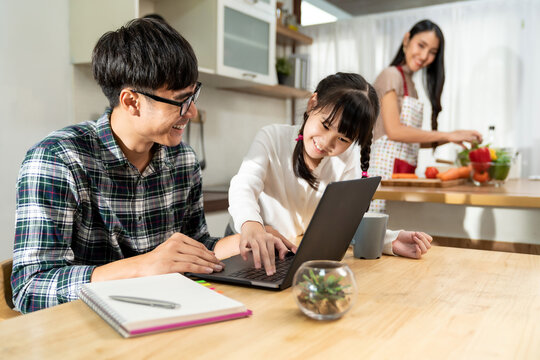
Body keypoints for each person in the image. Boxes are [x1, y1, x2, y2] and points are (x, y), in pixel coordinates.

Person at [11, 18, 232, 314]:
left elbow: (195, 247)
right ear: (131, 102)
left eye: (194, 95)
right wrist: (142, 267)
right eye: (181, 100)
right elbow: (30, 288)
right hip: (86, 330)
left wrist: (244, 243)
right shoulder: (58, 159)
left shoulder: (183, 160)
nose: (191, 111)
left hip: (167, 317)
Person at [227, 73, 433, 276]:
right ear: (312, 103)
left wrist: (390, 240)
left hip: (289, 257)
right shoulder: (272, 137)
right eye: (325, 125)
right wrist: (251, 224)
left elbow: (345, 222)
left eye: (342, 139)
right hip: (245, 247)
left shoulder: (346, 162)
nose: (326, 143)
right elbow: (244, 185)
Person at [369, 19, 483, 212]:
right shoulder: (390, 75)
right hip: (381, 176)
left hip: (400, 176)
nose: (424, 56)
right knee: (376, 236)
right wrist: (448, 134)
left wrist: (452, 138)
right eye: (421, 45)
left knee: (394, 237)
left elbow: (410, 141)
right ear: (407, 39)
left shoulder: (411, 85)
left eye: (432, 52)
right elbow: (395, 132)